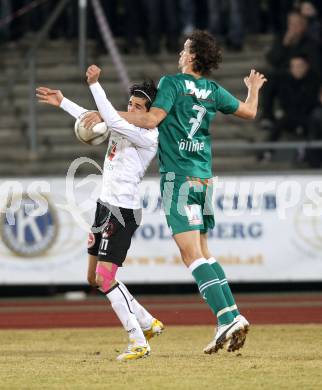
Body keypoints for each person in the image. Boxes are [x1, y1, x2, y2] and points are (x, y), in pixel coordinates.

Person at [86, 30, 266, 354]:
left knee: (190, 254)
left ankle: (227, 318)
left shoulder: (172, 84)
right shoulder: (212, 90)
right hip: (204, 178)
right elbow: (250, 112)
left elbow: (152, 119)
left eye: (185, 49)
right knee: (204, 251)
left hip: (178, 179)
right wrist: (252, 90)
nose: (180, 54)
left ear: (194, 56)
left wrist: (109, 116)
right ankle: (230, 315)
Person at [36, 75, 164, 362]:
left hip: (122, 212)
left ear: (150, 112)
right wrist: (62, 102)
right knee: (93, 278)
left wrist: (94, 85)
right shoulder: (124, 124)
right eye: (129, 103)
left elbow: (108, 116)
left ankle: (138, 340)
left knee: (106, 278)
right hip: (104, 206)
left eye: (137, 106)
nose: (131, 108)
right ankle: (148, 322)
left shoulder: (146, 135)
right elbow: (94, 118)